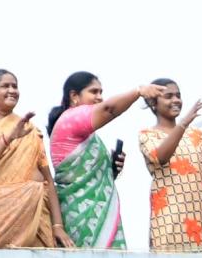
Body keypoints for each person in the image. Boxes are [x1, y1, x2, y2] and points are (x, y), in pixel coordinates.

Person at [47, 72, 165, 249]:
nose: (99, 97)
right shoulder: (70, 119)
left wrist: (111, 170)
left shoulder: (90, 136)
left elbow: (87, 176)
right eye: (93, 92)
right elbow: (109, 109)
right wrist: (138, 91)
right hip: (81, 213)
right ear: (74, 96)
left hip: (100, 211)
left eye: (101, 92)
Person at [0, 70, 73, 249]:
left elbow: (48, 180)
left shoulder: (30, 129)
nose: (12, 90)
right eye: (5, 86)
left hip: (37, 216)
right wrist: (9, 137)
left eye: (15, 86)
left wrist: (58, 226)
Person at [139, 79, 202, 252]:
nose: (176, 100)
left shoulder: (194, 135)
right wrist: (183, 124)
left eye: (178, 95)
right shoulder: (147, 135)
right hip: (170, 221)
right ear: (153, 103)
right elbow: (160, 156)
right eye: (169, 96)